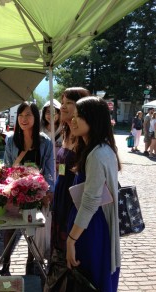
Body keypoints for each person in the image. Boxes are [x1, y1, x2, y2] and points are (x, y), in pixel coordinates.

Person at [66, 96, 121, 292]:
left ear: (94, 119)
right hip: (90, 227)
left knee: (89, 286)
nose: (73, 119)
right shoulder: (98, 148)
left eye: (78, 116)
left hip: (90, 230)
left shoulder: (98, 154)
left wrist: (71, 241)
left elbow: (90, 203)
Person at [0, 102, 54, 276]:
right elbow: (7, 166)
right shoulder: (11, 140)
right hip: (14, 190)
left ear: (36, 118)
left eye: (28, 115)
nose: (24, 119)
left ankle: (31, 264)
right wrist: (9, 181)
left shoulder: (45, 142)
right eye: (21, 115)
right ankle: (5, 264)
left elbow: (50, 169)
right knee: (9, 228)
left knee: (32, 229)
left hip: (35, 191)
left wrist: (47, 190)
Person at [51, 87, 90, 254]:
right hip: (60, 194)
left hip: (74, 201)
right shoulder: (66, 132)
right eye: (62, 102)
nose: (63, 107)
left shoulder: (85, 136)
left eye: (69, 103)